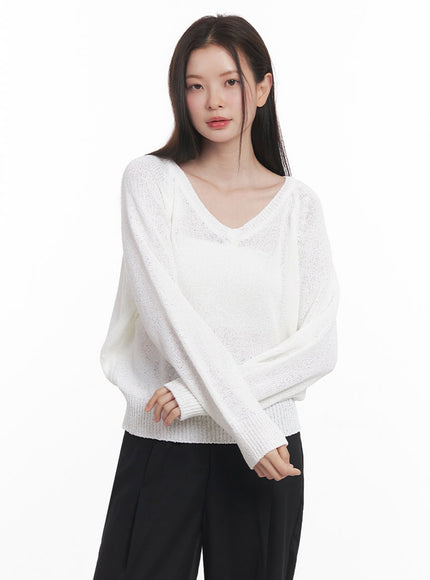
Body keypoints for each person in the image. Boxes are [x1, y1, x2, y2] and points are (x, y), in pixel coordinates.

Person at [92, 13, 340, 580]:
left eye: (230, 81)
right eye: (195, 85)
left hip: (267, 453)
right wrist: (248, 424)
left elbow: (319, 348)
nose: (213, 101)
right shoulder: (150, 182)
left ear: (263, 87)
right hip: (167, 443)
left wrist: (200, 399)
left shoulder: (299, 208)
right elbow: (167, 316)